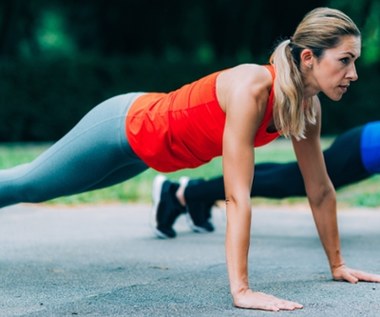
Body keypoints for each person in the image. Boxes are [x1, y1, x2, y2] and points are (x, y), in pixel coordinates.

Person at [1, 7, 379, 312]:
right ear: (310, 57)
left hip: (144, 156)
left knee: (41, 189)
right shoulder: (253, 88)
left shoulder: (307, 107)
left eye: (355, 61)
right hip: (121, 127)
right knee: (27, 184)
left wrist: (337, 265)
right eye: (345, 60)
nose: (354, 73)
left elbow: (320, 189)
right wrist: (242, 290)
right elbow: (237, 196)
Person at [154, 121, 380, 236]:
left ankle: (196, 192)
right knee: (291, 182)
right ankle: (180, 194)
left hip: (364, 146)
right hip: (364, 148)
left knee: (289, 175)